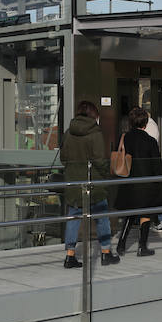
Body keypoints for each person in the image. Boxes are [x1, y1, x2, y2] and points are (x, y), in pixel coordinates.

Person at [59, 100, 120, 268]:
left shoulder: (68, 132)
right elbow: (99, 160)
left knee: (73, 218)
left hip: (73, 183)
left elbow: (63, 158)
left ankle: (69, 256)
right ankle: (106, 253)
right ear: (94, 115)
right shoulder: (95, 133)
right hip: (93, 183)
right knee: (101, 218)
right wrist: (107, 173)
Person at [114, 107, 162, 257]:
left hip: (130, 181)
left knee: (130, 214)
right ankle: (142, 246)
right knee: (145, 214)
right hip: (146, 182)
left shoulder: (126, 137)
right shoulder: (150, 141)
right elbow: (157, 165)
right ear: (146, 122)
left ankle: (121, 245)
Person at [143, 114, 162, 232]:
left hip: (151, 166)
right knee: (155, 193)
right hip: (152, 166)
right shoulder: (152, 125)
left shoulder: (149, 126)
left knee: (156, 193)